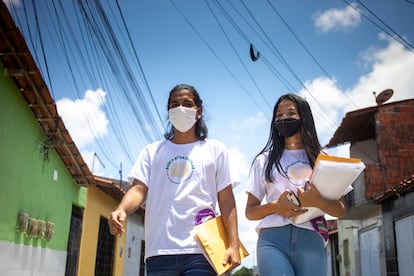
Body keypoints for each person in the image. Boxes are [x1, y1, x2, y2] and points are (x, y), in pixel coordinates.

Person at [109, 84, 241, 275]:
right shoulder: (151, 152)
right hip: (159, 251)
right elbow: (138, 189)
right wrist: (121, 209)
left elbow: (227, 200)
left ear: (199, 112)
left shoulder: (216, 150)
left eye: (187, 104)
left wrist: (233, 245)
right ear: (168, 111)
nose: (181, 108)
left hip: (203, 251)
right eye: (174, 104)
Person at [245, 93, 348, 276]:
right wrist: (276, 207)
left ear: (304, 117)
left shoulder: (323, 158)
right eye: (279, 116)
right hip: (272, 239)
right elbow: (250, 212)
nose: (284, 119)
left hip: (311, 237)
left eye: (291, 114)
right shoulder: (264, 160)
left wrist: (317, 200)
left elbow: (340, 209)